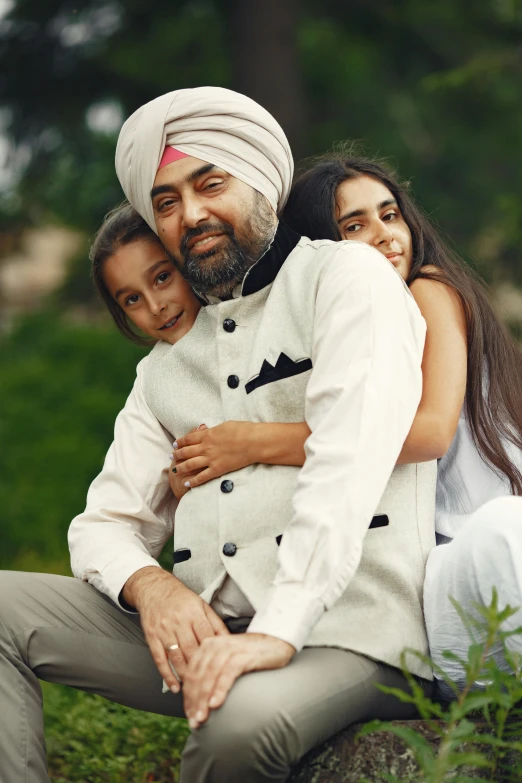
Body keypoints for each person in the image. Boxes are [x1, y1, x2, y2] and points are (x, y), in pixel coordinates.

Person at [0, 88, 435, 783]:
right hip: (214, 629)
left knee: (234, 731)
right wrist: (152, 585)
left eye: (210, 183)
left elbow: (345, 467)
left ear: (262, 180)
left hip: (349, 629)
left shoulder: (346, 278)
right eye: (166, 202)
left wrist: (274, 631)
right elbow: (101, 525)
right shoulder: (161, 369)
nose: (191, 213)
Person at [281, 150, 522, 695]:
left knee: (504, 526)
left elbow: (432, 432)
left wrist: (253, 443)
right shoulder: (334, 339)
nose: (388, 235)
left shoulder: (427, 290)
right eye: (355, 225)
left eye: (391, 215)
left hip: (494, 552)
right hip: (449, 593)